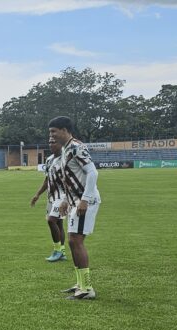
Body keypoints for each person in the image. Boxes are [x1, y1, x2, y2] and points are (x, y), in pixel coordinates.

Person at [48, 116, 101, 300]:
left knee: (75, 241)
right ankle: (80, 284)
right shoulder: (65, 150)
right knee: (72, 241)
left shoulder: (77, 147)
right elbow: (68, 179)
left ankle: (87, 289)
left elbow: (92, 172)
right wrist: (64, 200)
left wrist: (85, 199)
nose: (51, 135)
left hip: (85, 200)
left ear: (64, 130)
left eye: (54, 131)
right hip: (74, 201)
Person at [30, 137, 67, 262]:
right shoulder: (49, 160)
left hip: (63, 196)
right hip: (51, 196)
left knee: (51, 220)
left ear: (61, 143)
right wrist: (37, 194)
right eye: (50, 142)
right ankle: (62, 251)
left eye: (54, 142)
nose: (51, 144)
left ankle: (57, 250)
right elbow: (47, 179)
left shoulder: (66, 158)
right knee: (59, 223)